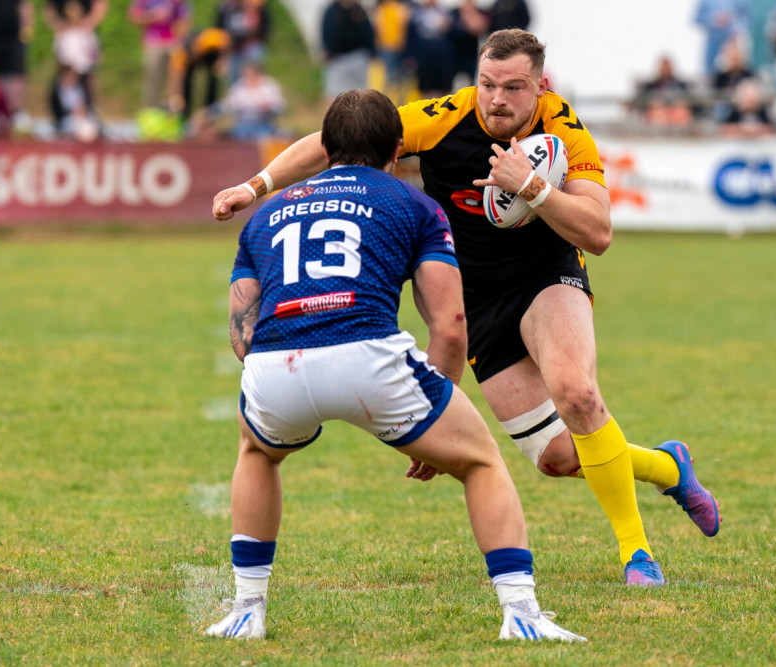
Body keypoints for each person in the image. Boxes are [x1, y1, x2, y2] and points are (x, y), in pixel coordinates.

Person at [212, 30, 723, 587]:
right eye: (486, 84)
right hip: (475, 299)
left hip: (545, 276)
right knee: (557, 457)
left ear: (540, 88)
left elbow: (598, 232)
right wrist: (255, 185)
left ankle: (636, 555)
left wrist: (531, 186)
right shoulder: (447, 116)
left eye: (513, 87)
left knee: (577, 394)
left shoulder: (565, 130)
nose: (496, 98)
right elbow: (336, 140)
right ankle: (669, 466)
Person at [203, 89, 585, 643]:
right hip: (369, 358)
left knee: (257, 452)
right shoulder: (415, 205)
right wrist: (440, 409)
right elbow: (451, 323)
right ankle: (521, 612)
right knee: (480, 462)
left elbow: (242, 331)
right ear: (397, 152)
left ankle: (246, 609)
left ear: (327, 146)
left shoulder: (265, 216)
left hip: (276, 364)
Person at [127, 0, 192, 109]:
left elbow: (185, 19)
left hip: (173, 43)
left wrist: (181, 38)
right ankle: (150, 110)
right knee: (152, 79)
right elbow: (133, 17)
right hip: (153, 43)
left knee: (176, 80)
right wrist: (153, 16)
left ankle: (173, 111)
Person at [218, 57, 285, 140]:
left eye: (251, 73)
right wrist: (236, 106)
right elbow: (227, 105)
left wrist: (269, 106)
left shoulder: (269, 86)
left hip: (264, 125)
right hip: (242, 126)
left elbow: (280, 106)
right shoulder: (239, 86)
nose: (248, 75)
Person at [320, 0, 375, 101]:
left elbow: (368, 32)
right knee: (334, 93)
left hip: (358, 56)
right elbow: (326, 32)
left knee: (361, 93)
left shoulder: (359, 10)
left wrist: (371, 51)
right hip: (338, 58)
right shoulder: (332, 11)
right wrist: (328, 51)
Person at [215, 0, 272, 84]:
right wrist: (222, 55)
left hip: (251, 46)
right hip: (232, 48)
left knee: (254, 68)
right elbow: (220, 30)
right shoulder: (226, 7)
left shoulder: (256, 6)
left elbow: (264, 26)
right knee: (235, 79)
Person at [693, 0, 749, 78]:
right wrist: (713, 20)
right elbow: (696, 19)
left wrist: (737, 28)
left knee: (736, 71)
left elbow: (747, 17)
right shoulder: (705, 1)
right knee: (709, 72)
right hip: (713, 39)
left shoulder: (739, 1)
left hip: (731, 39)